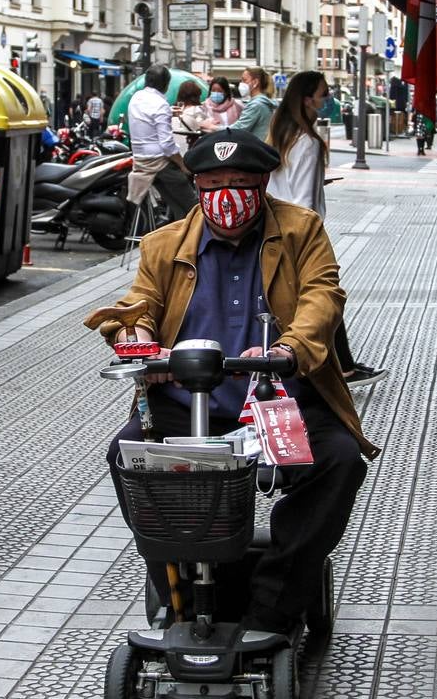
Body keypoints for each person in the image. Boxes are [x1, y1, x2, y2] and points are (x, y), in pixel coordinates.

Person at [94, 128, 377, 634]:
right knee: (129, 455)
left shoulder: (301, 230)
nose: (226, 194)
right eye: (214, 182)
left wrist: (286, 350)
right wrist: (137, 336)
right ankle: (177, 590)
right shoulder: (164, 245)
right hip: (186, 406)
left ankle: (273, 601)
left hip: (276, 402)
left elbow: (323, 297)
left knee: (337, 461)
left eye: (240, 182)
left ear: (264, 182)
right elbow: (137, 306)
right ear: (197, 186)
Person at [265, 70, 386, 388]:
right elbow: (303, 199)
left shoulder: (281, 134)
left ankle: (338, 365)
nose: (327, 98)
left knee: (312, 296)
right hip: (301, 232)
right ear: (308, 99)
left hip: (277, 226)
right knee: (323, 296)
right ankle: (337, 367)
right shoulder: (307, 142)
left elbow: (282, 187)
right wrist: (308, 236)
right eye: (323, 93)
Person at [125, 64, 199, 222]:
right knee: (194, 207)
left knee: (178, 208)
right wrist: (183, 165)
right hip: (160, 163)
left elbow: (146, 120)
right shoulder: (160, 104)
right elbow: (167, 145)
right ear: (166, 84)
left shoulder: (136, 98)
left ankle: (180, 240)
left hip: (141, 162)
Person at [230, 67, 278, 139]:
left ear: (255, 82)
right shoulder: (263, 102)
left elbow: (238, 128)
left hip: (256, 148)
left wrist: (213, 128)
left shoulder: (256, 105)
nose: (241, 84)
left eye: (244, 80)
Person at [171, 80, 205, 148]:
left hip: (173, 149)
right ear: (197, 95)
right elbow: (202, 129)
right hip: (188, 149)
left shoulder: (173, 111)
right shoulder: (198, 111)